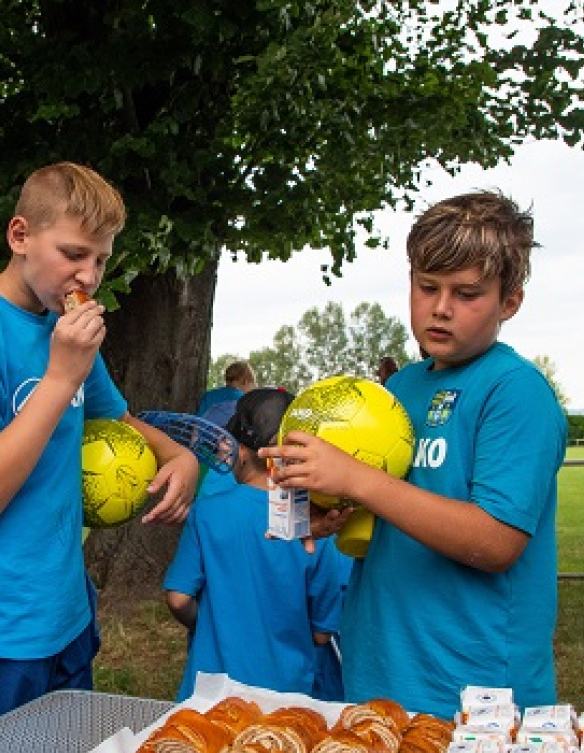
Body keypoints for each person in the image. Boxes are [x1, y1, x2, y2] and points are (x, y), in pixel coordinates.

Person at [0, 162, 199, 739]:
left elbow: (118, 422)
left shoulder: (65, 330)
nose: (89, 275)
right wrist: (61, 375)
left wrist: (180, 456)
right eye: (73, 253)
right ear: (20, 237)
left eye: (101, 259)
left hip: (67, 614)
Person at [261, 191, 568, 718]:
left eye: (467, 293)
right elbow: (390, 507)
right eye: (427, 287)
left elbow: (495, 542)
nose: (441, 308)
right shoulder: (399, 388)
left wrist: (358, 480)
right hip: (381, 672)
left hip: (475, 694)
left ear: (510, 301)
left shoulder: (515, 390)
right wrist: (327, 510)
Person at [164, 388, 349, 701]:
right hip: (285, 701)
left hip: (210, 697)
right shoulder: (316, 529)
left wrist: (209, 624)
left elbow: (179, 599)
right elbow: (321, 632)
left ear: (243, 452)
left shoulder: (207, 512)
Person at [196, 360, 256, 426]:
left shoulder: (208, 395)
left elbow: (196, 421)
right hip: (223, 435)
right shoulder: (243, 400)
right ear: (245, 381)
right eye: (252, 384)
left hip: (199, 434)